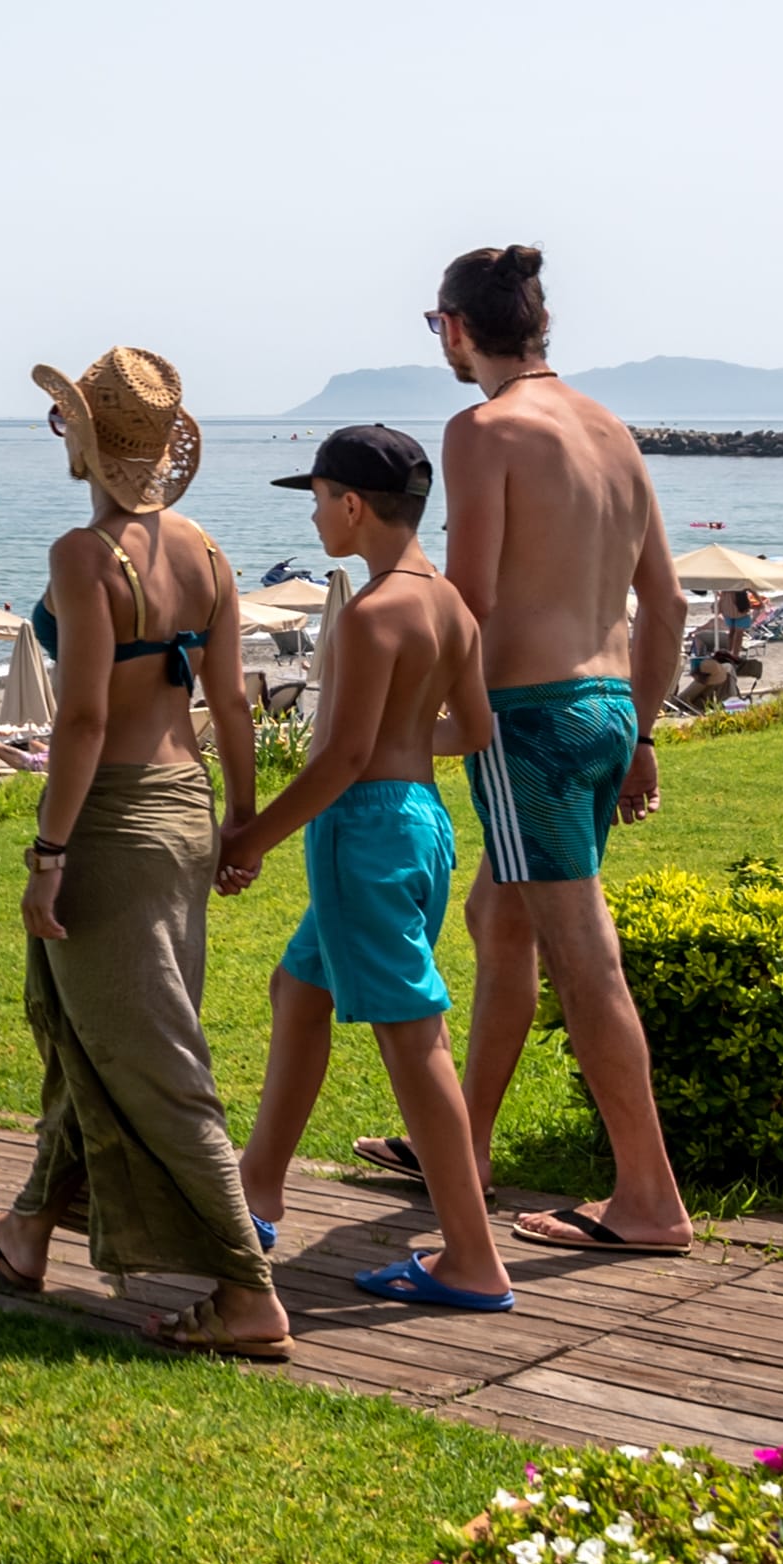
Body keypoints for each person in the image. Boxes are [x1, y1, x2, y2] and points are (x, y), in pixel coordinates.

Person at [0, 349, 286, 1358]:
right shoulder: (210, 555)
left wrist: (49, 852)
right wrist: (241, 821)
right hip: (185, 808)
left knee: (157, 1058)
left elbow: (82, 721)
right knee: (80, 1028)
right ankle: (29, 1230)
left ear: (82, 441)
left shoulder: (85, 558)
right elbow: (230, 706)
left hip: (112, 823)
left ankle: (250, 1292)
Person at [386, 241, 696, 1258]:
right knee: (498, 914)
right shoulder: (610, 431)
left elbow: (468, 606)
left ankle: (648, 1198)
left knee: (582, 953)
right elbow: (670, 604)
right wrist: (641, 727)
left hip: (533, 723)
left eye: (438, 326)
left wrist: (418, 727)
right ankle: (462, 1150)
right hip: (604, 705)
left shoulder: (482, 430)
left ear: (460, 329)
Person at [216, 425, 520, 1310]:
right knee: (298, 988)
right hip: (423, 824)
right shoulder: (450, 604)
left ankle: (472, 1256)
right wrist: (398, 743)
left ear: (352, 505)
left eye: (316, 499)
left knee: (410, 1031)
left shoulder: (372, 613)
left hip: (366, 833)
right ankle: (259, 1187)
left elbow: (342, 758)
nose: (313, 515)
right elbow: (471, 730)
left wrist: (251, 837)